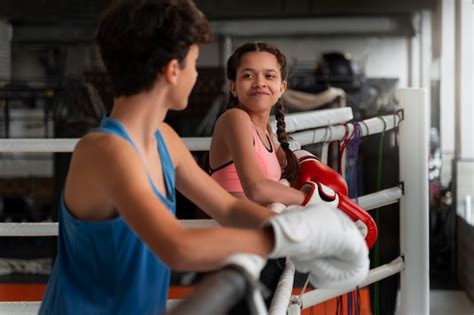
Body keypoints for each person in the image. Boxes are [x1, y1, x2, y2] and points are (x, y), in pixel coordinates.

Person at [39, 2, 369, 314]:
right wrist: (286, 237)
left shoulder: (164, 140)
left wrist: (311, 230)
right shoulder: (106, 150)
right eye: (194, 63)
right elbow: (177, 247)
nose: (195, 75)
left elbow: (227, 207)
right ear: (172, 70)